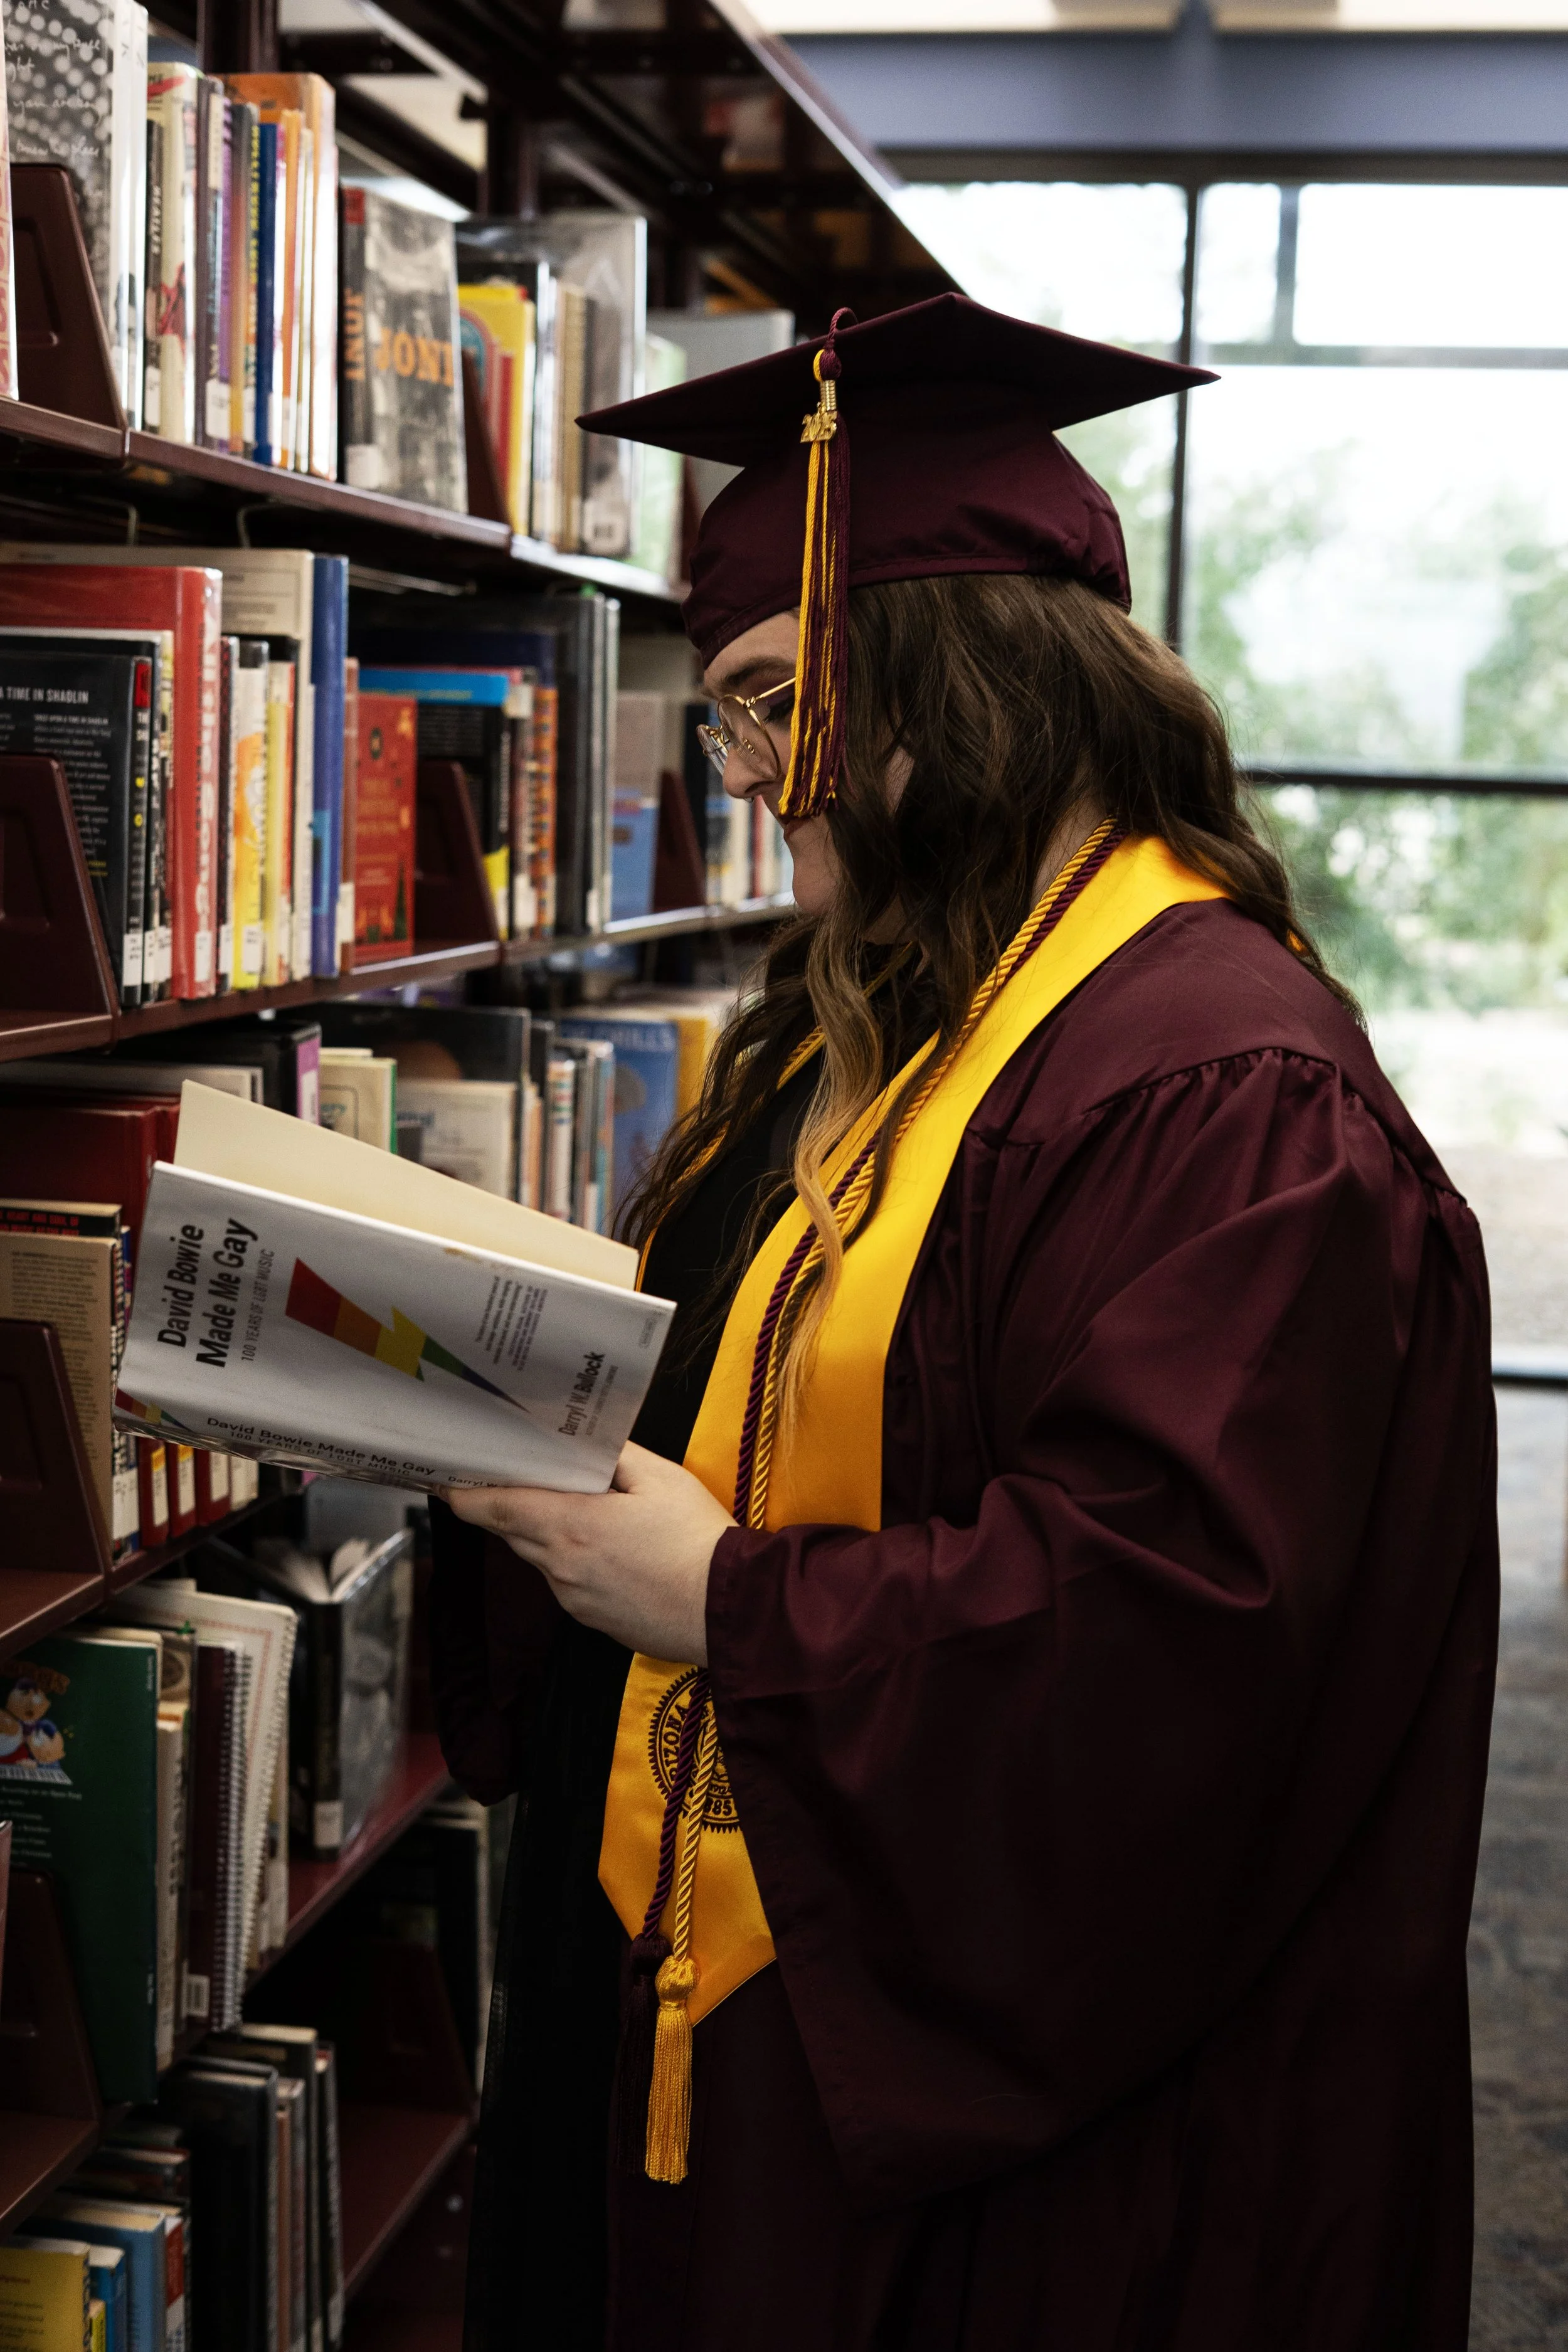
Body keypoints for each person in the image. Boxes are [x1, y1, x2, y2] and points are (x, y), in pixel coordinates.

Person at [428, 294, 1498, 2352]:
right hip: (788, 1992)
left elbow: (1174, 1633)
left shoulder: (1215, 1083)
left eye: (760, 706)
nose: (742, 782)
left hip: (1068, 2129)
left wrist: (730, 1600)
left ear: (944, 676)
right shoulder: (886, 1017)